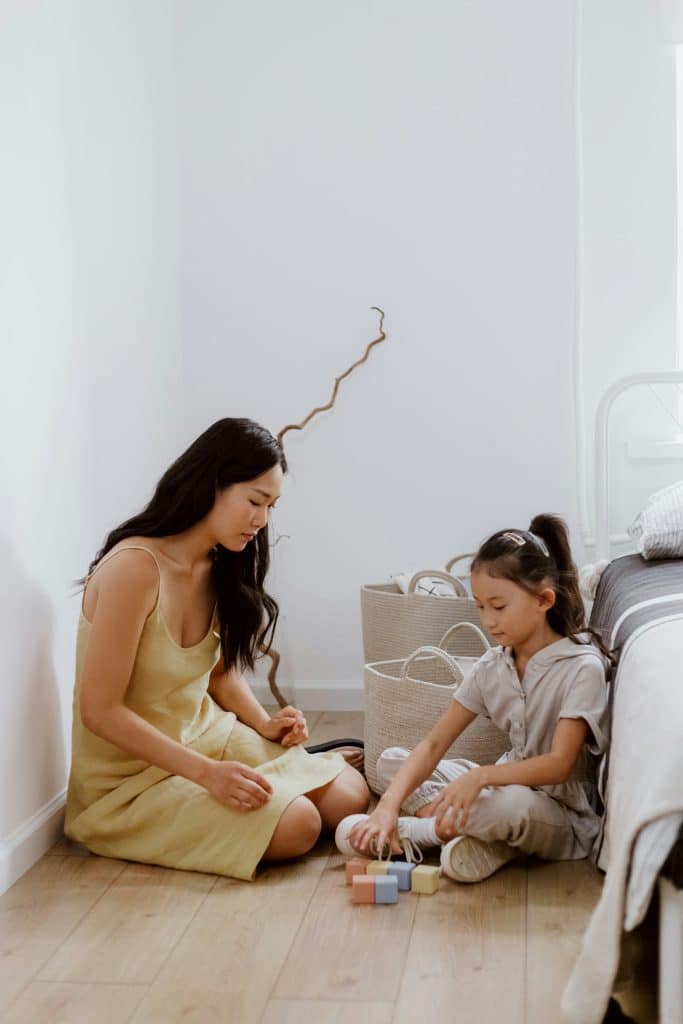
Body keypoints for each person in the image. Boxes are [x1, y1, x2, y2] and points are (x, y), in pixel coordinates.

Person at [65, 418, 369, 880]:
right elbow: (99, 711)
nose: (262, 520)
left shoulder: (217, 564)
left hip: (206, 737)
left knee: (349, 793)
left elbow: (219, 674)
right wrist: (207, 774)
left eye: (271, 506)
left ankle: (261, 790)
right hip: (131, 782)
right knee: (301, 826)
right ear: (211, 484)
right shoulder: (134, 569)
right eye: (254, 501)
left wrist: (266, 724)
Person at [335, 514, 610, 883]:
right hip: (501, 783)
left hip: (559, 809)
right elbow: (434, 744)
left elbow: (559, 765)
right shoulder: (492, 666)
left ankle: (418, 834)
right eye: (480, 606)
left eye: (498, 606)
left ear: (544, 600)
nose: (488, 620)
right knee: (390, 762)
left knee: (509, 807)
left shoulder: (582, 668)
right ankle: (485, 840)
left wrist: (479, 778)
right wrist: (386, 806)